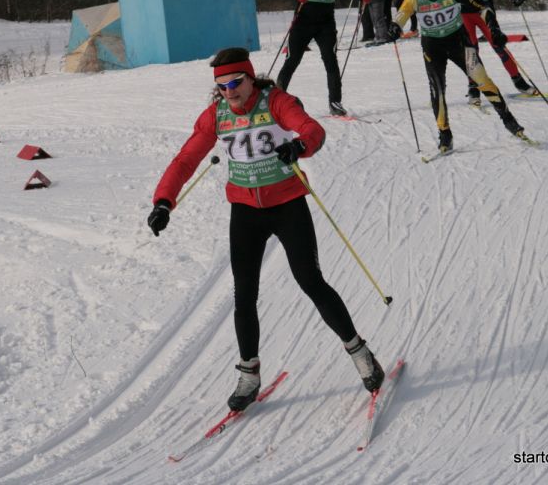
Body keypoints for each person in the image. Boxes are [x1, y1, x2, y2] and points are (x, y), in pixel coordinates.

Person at [148, 47, 385, 411]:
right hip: (245, 213)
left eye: (236, 82)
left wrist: (299, 146)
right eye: (222, 85)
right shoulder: (217, 115)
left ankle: (359, 351)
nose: (230, 91)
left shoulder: (275, 101)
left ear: (250, 76)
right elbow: (186, 159)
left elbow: (312, 129)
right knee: (244, 295)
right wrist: (163, 201)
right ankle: (249, 374)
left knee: (310, 281)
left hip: (288, 206)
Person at [386, 0, 529, 153]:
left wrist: (493, 26)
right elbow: (402, 14)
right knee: (437, 89)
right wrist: (395, 26)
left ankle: (509, 121)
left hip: (458, 42)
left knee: (482, 79)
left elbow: (483, 7)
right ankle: (445, 135)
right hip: (432, 47)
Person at [277, 0, 370, 116]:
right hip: (303, 20)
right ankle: (277, 99)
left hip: (326, 22)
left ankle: (335, 102)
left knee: (331, 61)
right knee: (292, 60)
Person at [443, 0, 534, 101]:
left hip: (484, 12)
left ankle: (519, 82)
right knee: (471, 51)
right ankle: (473, 87)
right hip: (463, 15)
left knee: (499, 44)